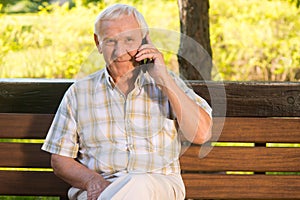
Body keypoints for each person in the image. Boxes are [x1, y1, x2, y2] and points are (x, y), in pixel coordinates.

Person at [42, 3, 212, 200]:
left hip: (158, 185)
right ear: (98, 43)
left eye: (129, 40)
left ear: (145, 39)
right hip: (100, 189)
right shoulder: (79, 93)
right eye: (110, 41)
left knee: (138, 182)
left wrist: (164, 79)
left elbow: (202, 134)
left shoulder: (168, 82)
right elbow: (60, 158)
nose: (119, 51)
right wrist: (92, 181)